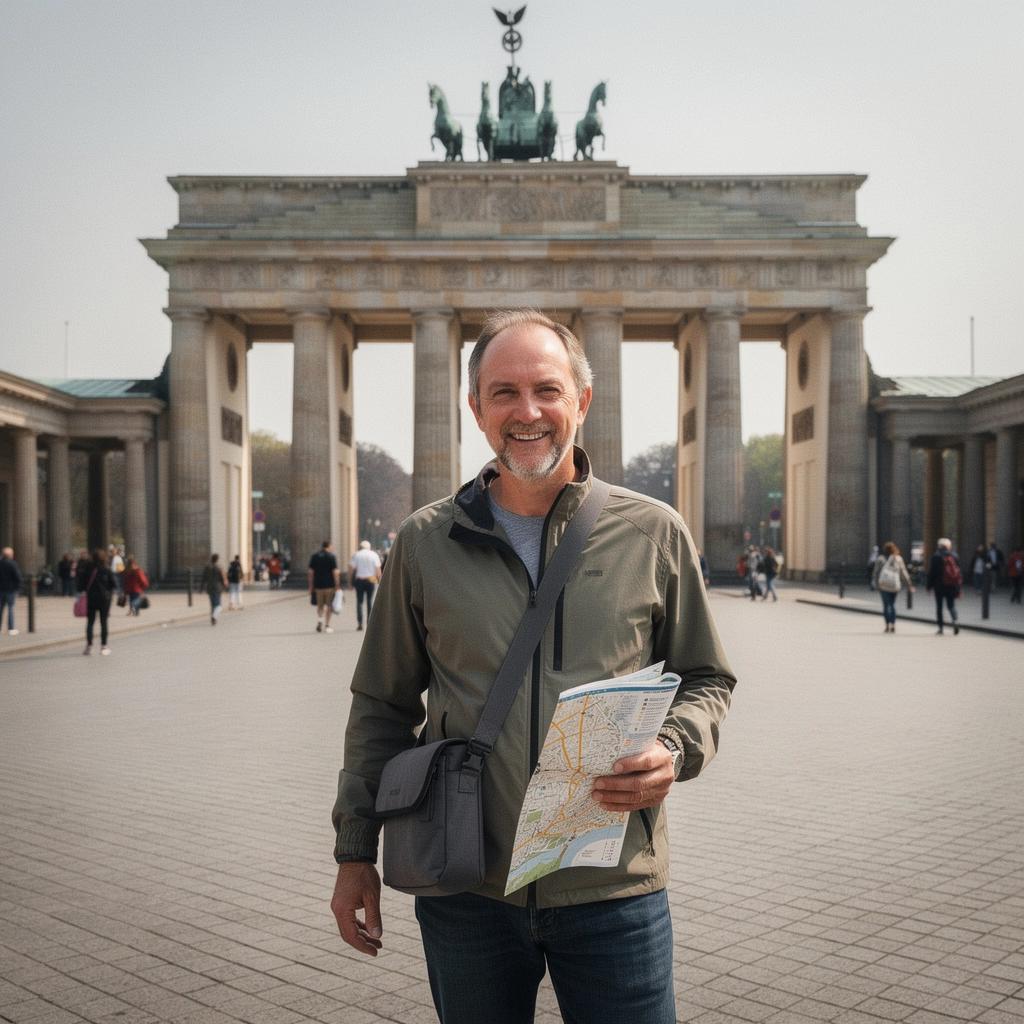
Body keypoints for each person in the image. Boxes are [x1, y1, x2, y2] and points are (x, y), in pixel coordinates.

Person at [330, 309, 736, 1024]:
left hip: (613, 885)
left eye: (547, 390)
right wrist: (355, 850)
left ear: (582, 401)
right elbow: (381, 705)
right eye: (504, 392)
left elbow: (707, 677)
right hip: (466, 886)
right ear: (475, 408)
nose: (528, 412)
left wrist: (675, 748)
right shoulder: (425, 542)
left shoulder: (652, 532)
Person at [76, 548, 116, 654]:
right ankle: (104, 646)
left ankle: (89, 646)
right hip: (104, 599)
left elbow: (80, 586)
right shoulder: (106, 569)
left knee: (90, 622)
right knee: (103, 622)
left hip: (91, 599)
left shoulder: (87, 569)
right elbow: (113, 584)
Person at [871, 541, 915, 632]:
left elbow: (875, 572)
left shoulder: (880, 559)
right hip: (894, 585)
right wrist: (909, 584)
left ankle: (887, 625)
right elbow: (903, 572)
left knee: (886, 605)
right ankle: (893, 624)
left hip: (883, 585)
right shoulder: (898, 559)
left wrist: (876, 584)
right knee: (892, 604)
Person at [926, 537, 961, 636]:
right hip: (951, 585)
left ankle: (940, 628)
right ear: (948, 546)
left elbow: (932, 573)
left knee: (939, 607)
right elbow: (958, 572)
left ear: (939, 546)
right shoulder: (954, 556)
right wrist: (959, 586)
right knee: (951, 605)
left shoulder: (936, 556)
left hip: (939, 586)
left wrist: (929, 586)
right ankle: (955, 621)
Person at [349, 540, 382, 631]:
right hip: (371, 579)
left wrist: (350, 582)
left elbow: (352, 569)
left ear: (360, 547)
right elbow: (378, 570)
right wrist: (379, 581)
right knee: (370, 601)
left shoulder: (357, 555)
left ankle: (360, 623)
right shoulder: (374, 555)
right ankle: (369, 623)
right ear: (369, 547)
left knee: (359, 602)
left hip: (360, 579)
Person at [308, 540, 341, 633]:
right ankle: (327, 625)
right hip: (329, 586)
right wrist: (337, 585)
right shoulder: (331, 556)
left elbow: (311, 572)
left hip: (318, 586)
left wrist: (311, 586)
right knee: (329, 605)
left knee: (320, 605)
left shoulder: (314, 556)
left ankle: (320, 620)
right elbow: (335, 572)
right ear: (329, 546)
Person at [0, 547, 23, 637]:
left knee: (1, 609)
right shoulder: (12, 564)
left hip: (1, 589)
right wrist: (18, 588)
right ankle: (11, 628)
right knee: (10, 608)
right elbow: (17, 576)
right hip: (10, 590)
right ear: (10, 555)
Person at [201, 554, 228, 625]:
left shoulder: (207, 567)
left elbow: (204, 578)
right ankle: (214, 617)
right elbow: (223, 579)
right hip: (217, 588)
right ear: (217, 559)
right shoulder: (219, 567)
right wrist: (226, 587)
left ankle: (213, 619)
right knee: (218, 605)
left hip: (209, 587)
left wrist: (201, 588)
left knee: (212, 604)